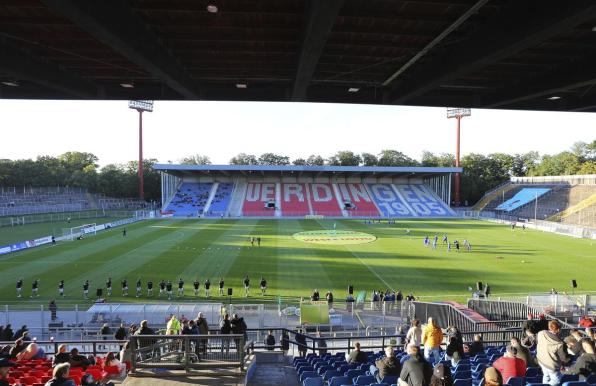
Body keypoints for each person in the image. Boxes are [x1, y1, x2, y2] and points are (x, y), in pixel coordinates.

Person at [536, 320, 570, 386]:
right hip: (552, 365)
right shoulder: (560, 343)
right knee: (556, 380)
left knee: (546, 376)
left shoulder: (541, 333)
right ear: (558, 330)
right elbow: (564, 358)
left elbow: (538, 342)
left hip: (541, 360)